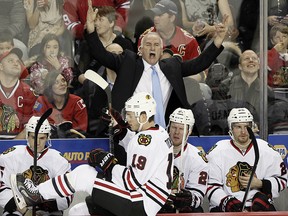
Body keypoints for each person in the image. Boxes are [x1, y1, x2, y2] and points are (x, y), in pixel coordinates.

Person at [10, 92, 174, 216]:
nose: (127, 118)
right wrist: (119, 129)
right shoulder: (157, 132)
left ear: (143, 116)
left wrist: (108, 164)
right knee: (78, 211)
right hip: (145, 201)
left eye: (130, 115)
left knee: (83, 175)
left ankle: (35, 194)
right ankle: (36, 194)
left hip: (139, 202)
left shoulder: (145, 141)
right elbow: (137, 146)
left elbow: (132, 181)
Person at [85, 0, 228, 131]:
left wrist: (218, 41)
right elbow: (101, 54)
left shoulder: (172, 66)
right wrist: (91, 29)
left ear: (161, 51)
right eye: (148, 44)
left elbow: (199, 64)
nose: (152, 47)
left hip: (164, 132)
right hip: (131, 132)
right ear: (140, 49)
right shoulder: (127, 62)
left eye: (156, 45)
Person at [206, 108, 287, 212]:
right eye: (238, 127)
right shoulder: (218, 151)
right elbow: (210, 185)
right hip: (226, 208)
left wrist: (261, 184)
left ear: (252, 126)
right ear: (231, 128)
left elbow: (283, 179)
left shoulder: (266, 150)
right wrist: (228, 203)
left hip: (258, 207)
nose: (243, 131)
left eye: (246, 126)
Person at [0, 116, 72, 215]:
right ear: (27, 136)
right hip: (18, 210)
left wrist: (38, 201)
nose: (37, 143)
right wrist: (25, 211)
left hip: (48, 211)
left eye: (42, 138)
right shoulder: (11, 155)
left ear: (48, 137)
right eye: (34, 137)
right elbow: (2, 188)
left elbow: (67, 197)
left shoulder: (60, 160)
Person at [138, 0, 206, 82]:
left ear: (172, 18)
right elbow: (140, 68)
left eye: (160, 15)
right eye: (155, 15)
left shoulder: (189, 41)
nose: (156, 18)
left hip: (182, 85)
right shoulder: (145, 38)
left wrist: (179, 81)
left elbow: (200, 72)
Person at [159, 108, 208, 213]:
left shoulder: (197, 158)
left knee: (197, 211)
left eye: (182, 129)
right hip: (157, 202)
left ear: (189, 131)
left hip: (182, 208)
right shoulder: (157, 150)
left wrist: (188, 199)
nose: (177, 132)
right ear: (168, 127)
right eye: (174, 127)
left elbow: (198, 195)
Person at [218, 50, 274, 122]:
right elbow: (220, 117)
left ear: (259, 66)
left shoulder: (267, 91)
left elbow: (269, 119)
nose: (251, 60)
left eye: (254, 58)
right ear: (240, 66)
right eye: (246, 59)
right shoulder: (225, 86)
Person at [33, 70, 88, 137]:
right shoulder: (41, 101)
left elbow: (82, 131)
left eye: (63, 80)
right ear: (49, 86)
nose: (62, 84)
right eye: (56, 82)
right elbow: (35, 126)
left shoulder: (77, 101)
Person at [0, 48, 36, 139]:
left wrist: (13, 145)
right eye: (10, 61)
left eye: (18, 61)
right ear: (1, 66)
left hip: (18, 143)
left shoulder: (28, 92)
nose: (16, 63)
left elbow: (30, 125)